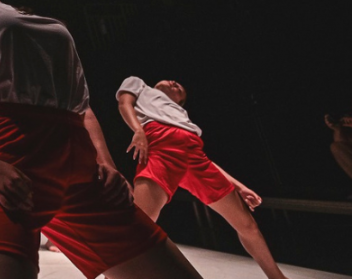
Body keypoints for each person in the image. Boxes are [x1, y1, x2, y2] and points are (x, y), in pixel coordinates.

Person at [0, 0, 203, 279]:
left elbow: (82, 105)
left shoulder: (36, 20)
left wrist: (106, 162)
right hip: (14, 151)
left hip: (79, 158)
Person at [117, 76, 289, 279]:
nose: (175, 83)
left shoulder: (182, 115)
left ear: (180, 102)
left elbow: (202, 158)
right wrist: (138, 130)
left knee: (247, 224)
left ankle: (277, 278)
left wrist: (240, 186)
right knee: (139, 225)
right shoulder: (140, 85)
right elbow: (124, 103)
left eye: (180, 88)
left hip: (193, 152)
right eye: (172, 81)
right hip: (161, 144)